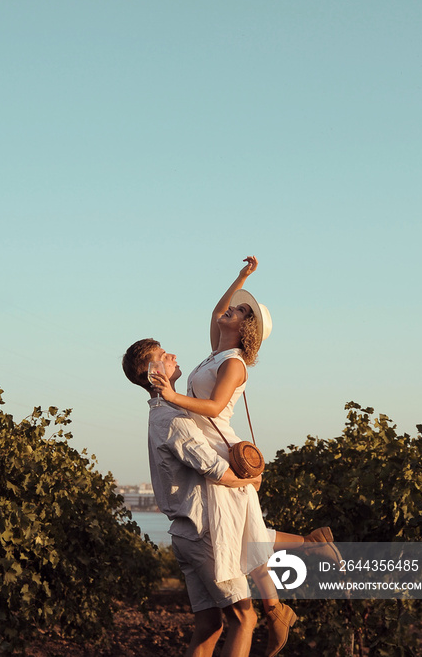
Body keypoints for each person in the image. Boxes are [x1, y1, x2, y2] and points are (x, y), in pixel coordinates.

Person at [149, 257, 342, 657]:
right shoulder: (212, 358)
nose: (228, 310)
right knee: (246, 537)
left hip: (219, 449)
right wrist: (242, 277)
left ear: (245, 327)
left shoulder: (234, 364)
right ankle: (284, 596)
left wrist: (170, 396)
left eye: (238, 310)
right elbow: (216, 310)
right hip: (206, 450)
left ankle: (282, 596)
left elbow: (216, 407)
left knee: (244, 538)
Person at [122, 338, 262, 657]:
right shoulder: (174, 419)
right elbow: (214, 469)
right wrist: (251, 479)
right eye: (162, 356)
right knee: (245, 618)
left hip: (187, 535)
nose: (172, 355)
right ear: (152, 373)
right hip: (203, 535)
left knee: (209, 625)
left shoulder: (166, 412)